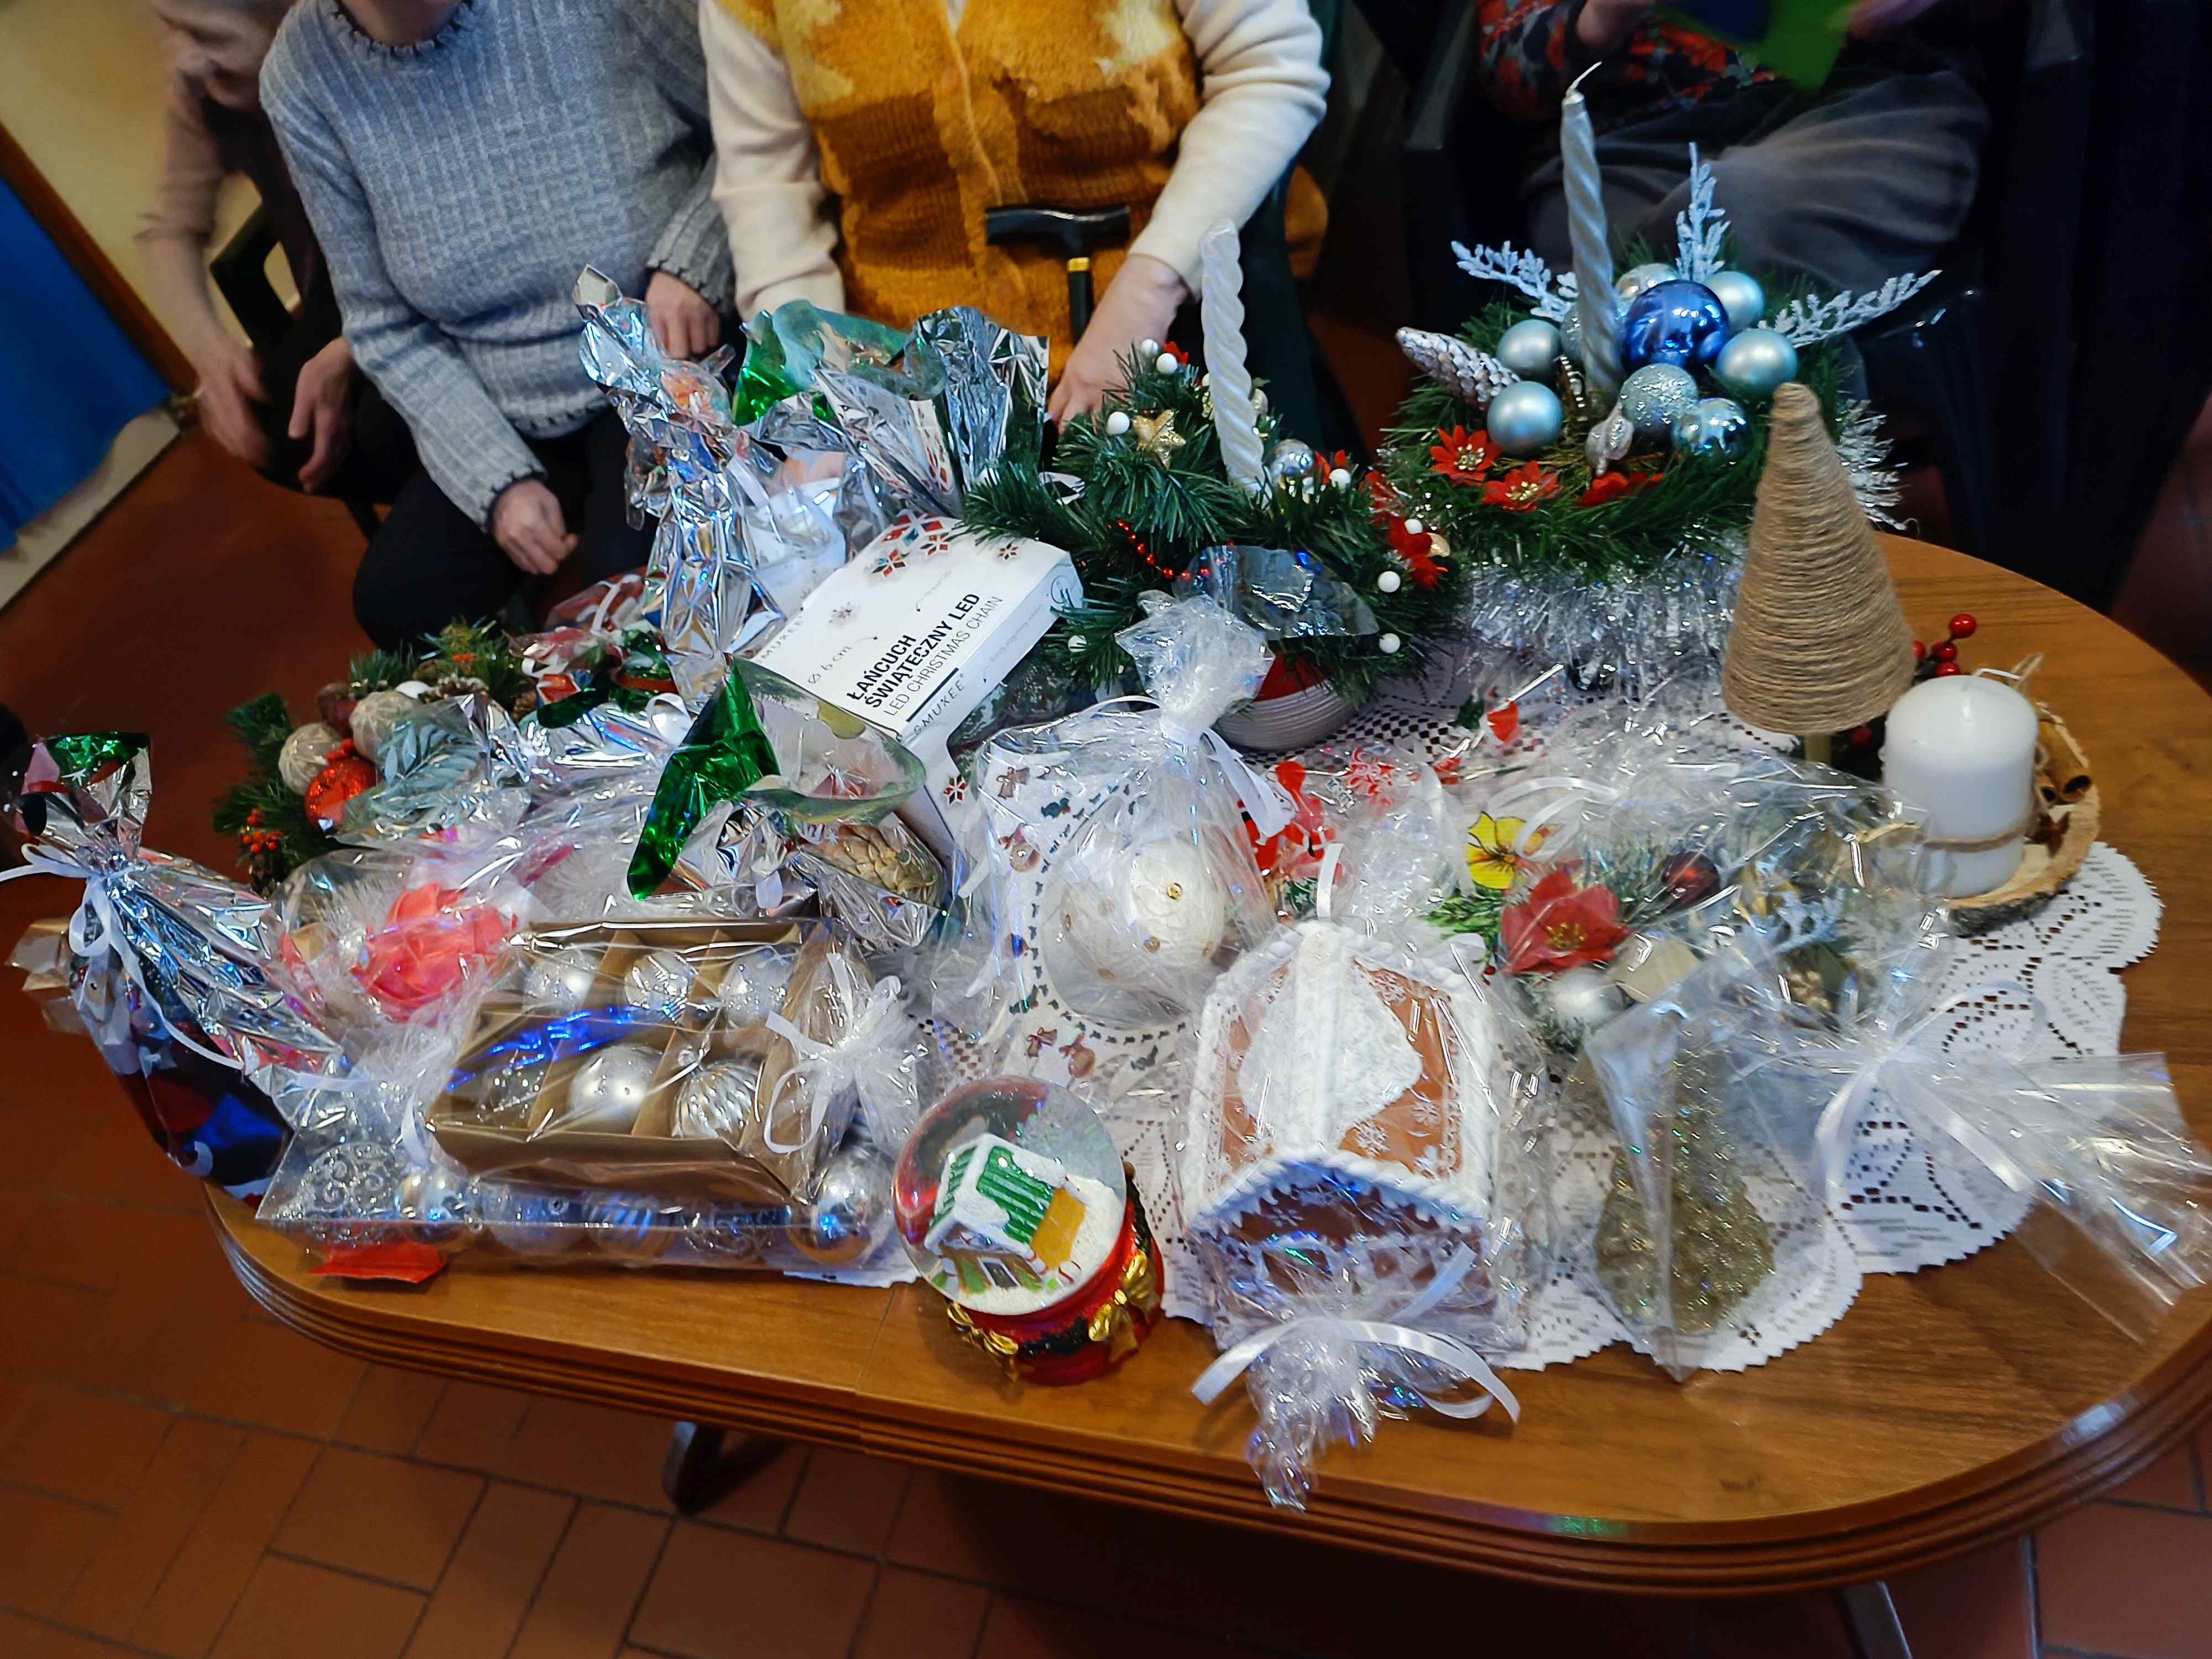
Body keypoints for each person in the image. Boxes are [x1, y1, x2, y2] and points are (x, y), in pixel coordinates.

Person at [260, 0, 732, 648]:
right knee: (399, 599)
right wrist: (495, 481)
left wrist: (693, 260)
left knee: (640, 593)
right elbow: (383, 323)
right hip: (500, 392)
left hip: (655, 348)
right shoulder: (301, 73)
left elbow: (749, 123)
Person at [697, 0, 1330, 423]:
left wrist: (1147, 292)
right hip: (908, 394)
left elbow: (1270, 69)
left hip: (1171, 352)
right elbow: (766, 180)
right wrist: (815, 397)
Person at [1478, 0, 1987, 291]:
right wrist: (1597, 19)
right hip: (1629, 145)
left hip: (1862, 104)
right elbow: (1507, 73)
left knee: (1733, 215)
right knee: (1669, 260)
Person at [138, 0, 413, 500]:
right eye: (174, 30)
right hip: (343, 287)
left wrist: (357, 346)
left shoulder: (377, 35)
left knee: (380, 425)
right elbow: (170, 232)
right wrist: (209, 351)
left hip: (426, 273)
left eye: (209, 35)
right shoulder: (202, 89)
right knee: (281, 430)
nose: (187, 62)